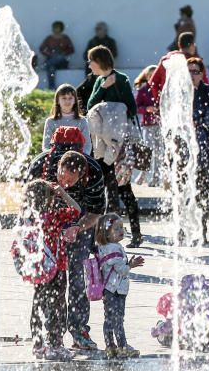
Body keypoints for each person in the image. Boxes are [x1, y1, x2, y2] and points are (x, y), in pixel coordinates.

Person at [27, 145, 106, 352]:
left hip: (78, 226)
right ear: (58, 166)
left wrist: (78, 228)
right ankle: (52, 336)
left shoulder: (94, 172)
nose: (65, 183)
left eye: (71, 182)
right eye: (62, 178)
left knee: (78, 279)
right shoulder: (41, 165)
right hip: (48, 233)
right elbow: (25, 203)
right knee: (47, 290)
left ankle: (79, 330)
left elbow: (95, 212)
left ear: (82, 175)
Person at [86, 45, 143, 249]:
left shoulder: (122, 79)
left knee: (124, 188)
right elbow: (90, 105)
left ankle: (135, 232)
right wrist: (103, 87)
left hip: (120, 145)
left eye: (91, 60)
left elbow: (132, 108)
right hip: (103, 144)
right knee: (109, 189)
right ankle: (111, 234)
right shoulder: (100, 81)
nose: (89, 64)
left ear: (100, 60)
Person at [22, 179, 80, 361]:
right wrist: (62, 193)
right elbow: (77, 210)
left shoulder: (29, 218)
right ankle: (55, 345)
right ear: (49, 199)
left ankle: (38, 345)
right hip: (57, 267)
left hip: (39, 269)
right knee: (57, 306)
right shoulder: (55, 216)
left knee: (38, 303)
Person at [95, 212, 145, 359]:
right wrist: (131, 265)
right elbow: (121, 269)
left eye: (122, 227)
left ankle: (110, 346)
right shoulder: (114, 248)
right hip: (115, 290)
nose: (121, 231)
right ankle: (123, 347)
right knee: (118, 318)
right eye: (116, 229)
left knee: (109, 318)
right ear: (107, 233)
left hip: (108, 289)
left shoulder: (103, 247)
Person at [188, 57, 209, 243]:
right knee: (185, 191)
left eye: (195, 71)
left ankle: (201, 228)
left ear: (202, 74)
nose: (192, 75)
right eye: (189, 71)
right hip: (184, 153)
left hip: (203, 152)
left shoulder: (208, 92)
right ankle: (185, 228)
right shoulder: (180, 92)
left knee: (202, 193)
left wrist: (197, 121)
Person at [150, 32, 208, 104]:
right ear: (192, 46)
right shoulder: (196, 63)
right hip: (192, 106)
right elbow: (205, 85)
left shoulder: (166, 60)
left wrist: (160, 101)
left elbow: (153, 82)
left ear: (179, 44)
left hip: (169, 105)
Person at [132, 65, 162, 187]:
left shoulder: (162, 89)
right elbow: (136, 108)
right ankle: (143, 174)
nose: (152, 78)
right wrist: (147, 109)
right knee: (147, 150)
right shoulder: (143, 91)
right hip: (148, 125)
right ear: (146, 76)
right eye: (149, 75)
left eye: (154, 75)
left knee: (159, 151)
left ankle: (156, 177)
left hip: (160, 125)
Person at [43, 84, 91, 155]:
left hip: (78, 159)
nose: (67, 101)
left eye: (70, 98)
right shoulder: (50, 122)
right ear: (58, 101)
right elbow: (46, 146)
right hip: (56, 159)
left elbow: (87, 146)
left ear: (75, 100)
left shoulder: (82, 121)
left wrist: (79, 158)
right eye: (64, 98)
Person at [39, 20, 75, 90]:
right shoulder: (49, 38)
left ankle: (45, 65)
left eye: (57, 27)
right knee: (51, 69)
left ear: (61, 28)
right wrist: (49, 53)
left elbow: (72, 49)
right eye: (54, 27)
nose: (55, 29)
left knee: (59, 57)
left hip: (62, 62)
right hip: (51, 59)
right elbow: (42, 48)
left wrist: (64, 53)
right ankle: (52, 87)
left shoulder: (65, 38)